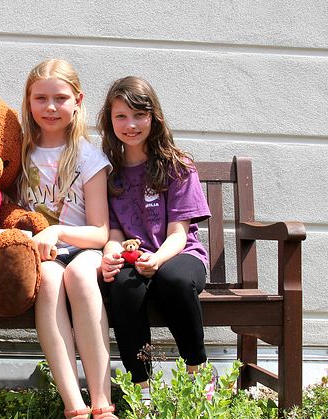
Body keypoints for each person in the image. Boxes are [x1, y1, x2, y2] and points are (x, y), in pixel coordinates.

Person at [98, 76, 212, 403]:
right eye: (121, 116)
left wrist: (158, 259)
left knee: (173, 280)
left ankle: (197, 369)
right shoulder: (110, 174)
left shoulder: (176, 167)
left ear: (153, 117)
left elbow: (179, 233)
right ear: (110, 121)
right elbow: (116, 231)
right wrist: (112, 253)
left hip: (179, 254)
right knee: (122, 285)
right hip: (137, 258)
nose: (130, 124)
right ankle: (142, 384)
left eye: (138, 115)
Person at [19, 59, 116, 419]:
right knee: (47, 280)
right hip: (41, 255)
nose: (50, 107)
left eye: (60, 98)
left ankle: (102, 401)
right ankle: (73, 405)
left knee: (77, 275)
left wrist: (58, 231)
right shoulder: (22, 155)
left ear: (77, 100)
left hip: (83, 249)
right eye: (40, 98)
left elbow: (101, 232)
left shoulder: (89, 158)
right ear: (28, 102)